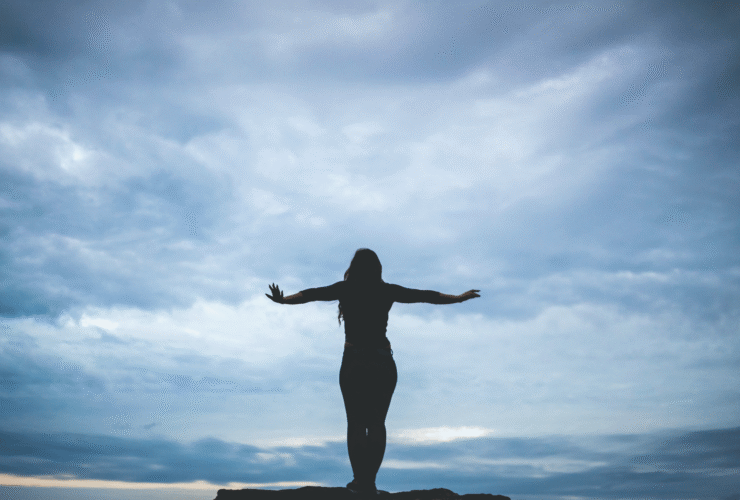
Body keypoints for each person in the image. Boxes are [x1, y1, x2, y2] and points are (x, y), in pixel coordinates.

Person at [266, 248, 480, 494]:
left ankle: (360, 482)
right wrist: (458, 298)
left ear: (353, 268)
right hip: (382, 362)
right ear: (377, 269)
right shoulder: (386, 290)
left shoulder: (344, 289)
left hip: (355, 361)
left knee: (356, 423)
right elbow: (425, 295)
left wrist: (284, 300)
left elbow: (311, 294)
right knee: (377, 423)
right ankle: (370, 482)